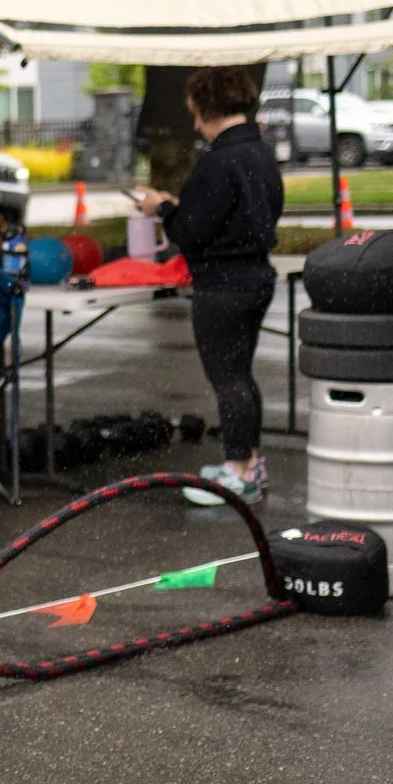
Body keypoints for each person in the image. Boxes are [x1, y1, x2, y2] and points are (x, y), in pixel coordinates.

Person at [129, 65, 283, 506]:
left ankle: (238, 471)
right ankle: (249, 462)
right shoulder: (260, 152)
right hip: (255, 275)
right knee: (241, 375)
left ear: (210, 109)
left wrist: (163, 208)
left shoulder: (218, 161)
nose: (194, 124)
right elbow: (247, 211)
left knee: (228, 378)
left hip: (223, 284)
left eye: (196, 113)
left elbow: (192, 232)